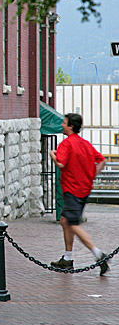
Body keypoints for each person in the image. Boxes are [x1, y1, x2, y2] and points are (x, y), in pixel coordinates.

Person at [50, 113, 109, 274]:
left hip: (71, 189)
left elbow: (61, 163)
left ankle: (99, 254)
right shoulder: (85, 144)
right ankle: (67, 258)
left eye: (64, 123)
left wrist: (52, 155)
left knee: (73, 223)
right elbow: (102, 160)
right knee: (65, 220)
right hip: (84, 189)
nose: (62, 125)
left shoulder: (66, 144)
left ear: (70, 126)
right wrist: (91, 175)